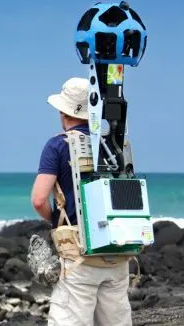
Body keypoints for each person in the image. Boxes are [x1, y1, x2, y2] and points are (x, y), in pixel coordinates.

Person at [30, 77, 132, 326]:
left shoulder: (58, 145)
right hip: (117, 252)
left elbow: (39, 199)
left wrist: (56, 221)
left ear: (63, 111)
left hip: (79, 255)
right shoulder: (115, 144)